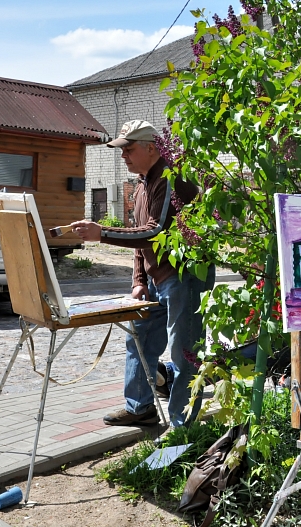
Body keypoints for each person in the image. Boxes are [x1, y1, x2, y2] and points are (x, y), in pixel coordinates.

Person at [71, 120, 214, 428]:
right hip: (156, 280)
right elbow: (139, 240)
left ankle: (182, 427)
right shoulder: (141, 184)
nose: (123, 156)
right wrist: (139, 281)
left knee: (184, 353)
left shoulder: (170, 178)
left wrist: (102, 233)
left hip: (184, 277)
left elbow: (155, 233)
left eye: (129, 149)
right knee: (138, 340)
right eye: (121, 150)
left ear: (152, 148)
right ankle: (140, 408)